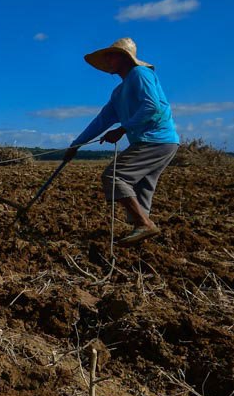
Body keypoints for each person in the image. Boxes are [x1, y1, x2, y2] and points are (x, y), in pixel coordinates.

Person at [63, 38, 179, 245]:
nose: (108, 59)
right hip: (156, 142)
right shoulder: (118, 93)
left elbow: (152, 107)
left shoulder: (140, 74)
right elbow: (101, 121)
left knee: (114, 176)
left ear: (125, 57)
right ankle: (141, 235)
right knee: (142, 186)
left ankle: (145, 224)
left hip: (155, 140)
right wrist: (77, 144)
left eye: (112, 55)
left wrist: (123, 129)